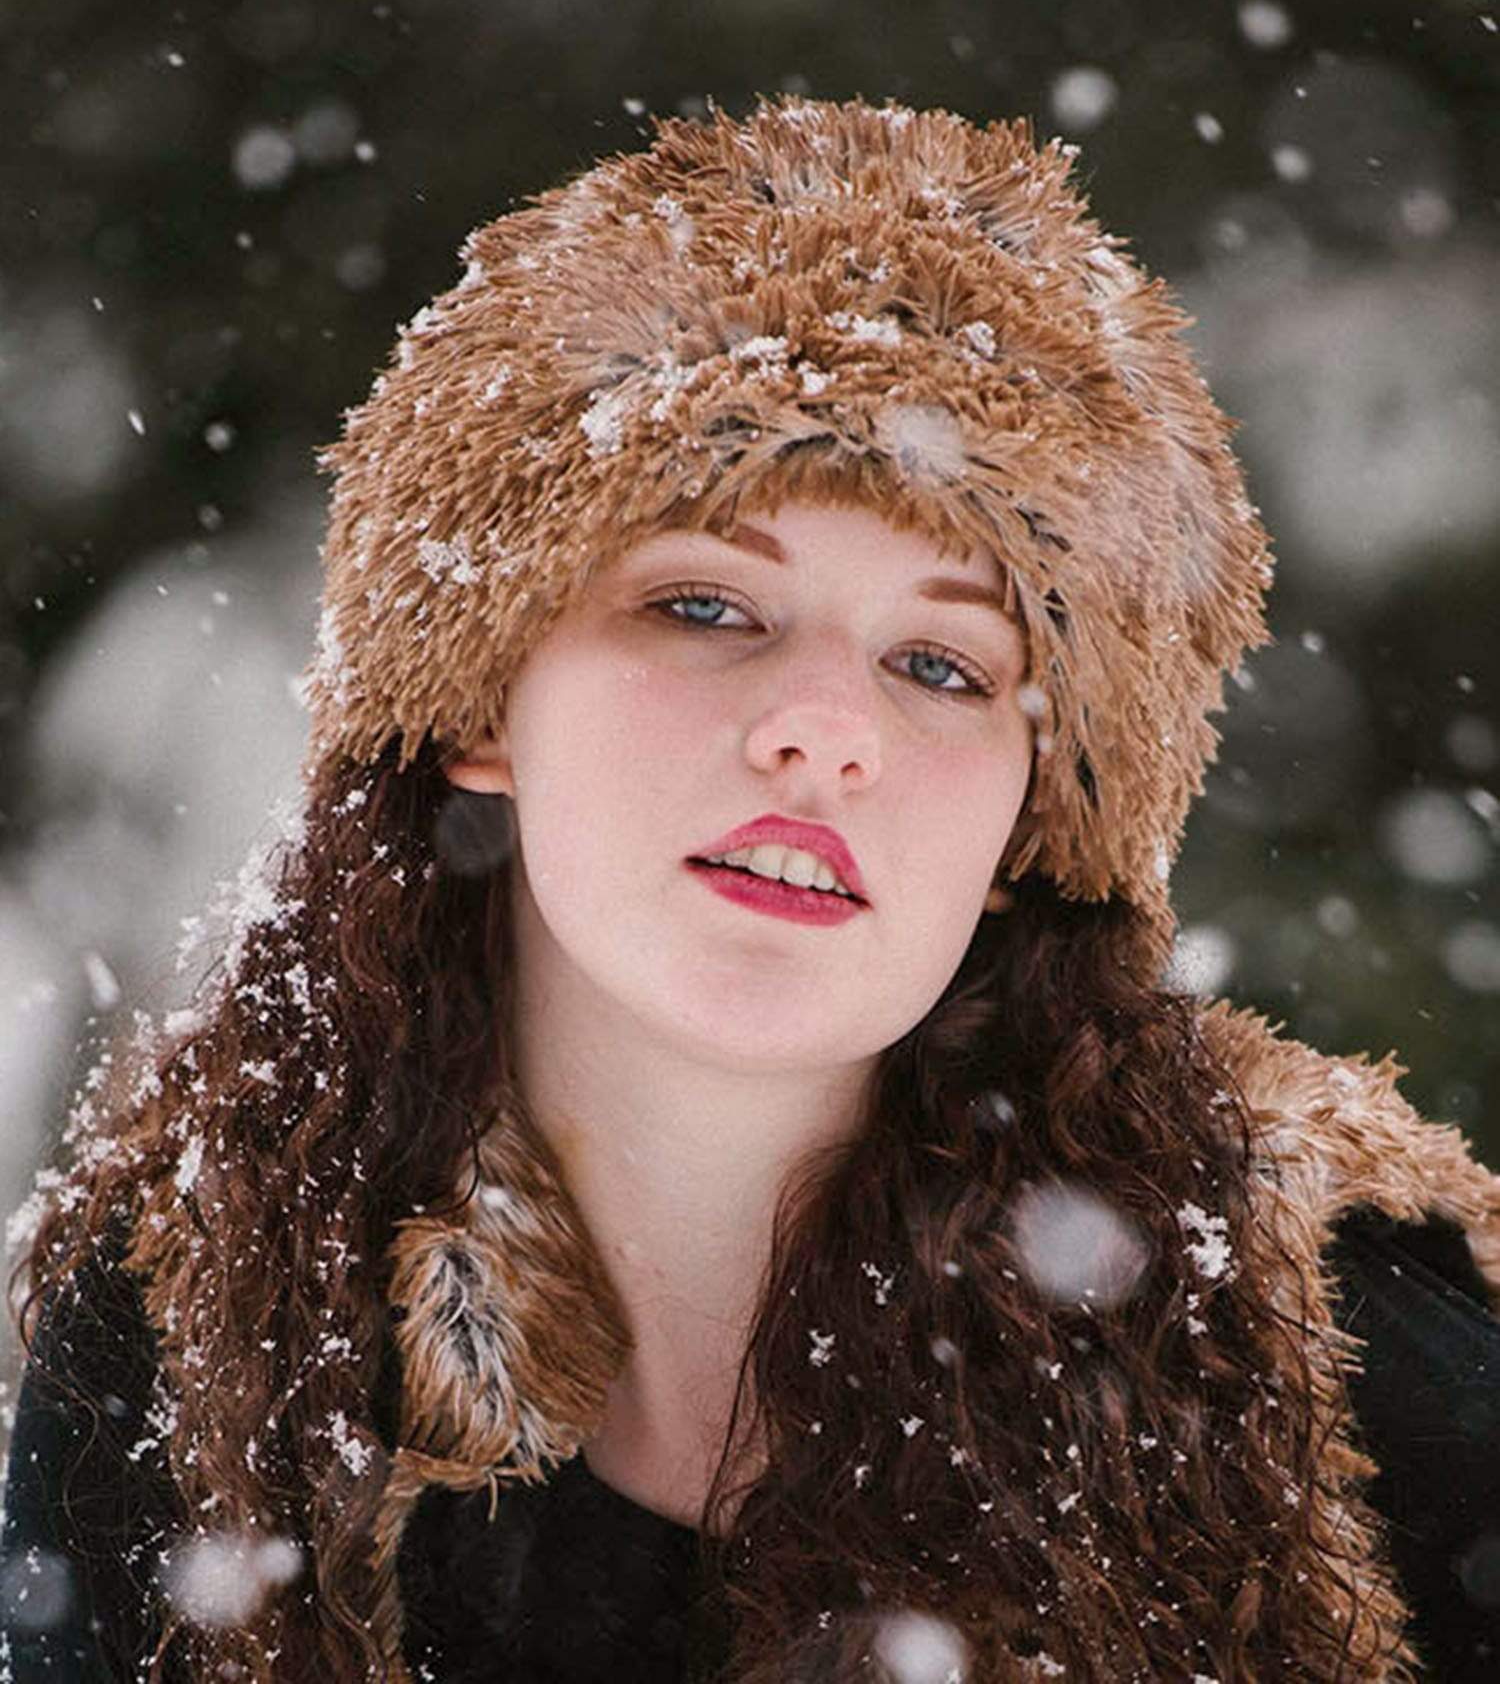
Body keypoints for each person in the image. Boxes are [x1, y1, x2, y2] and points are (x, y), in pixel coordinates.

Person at [3, 91, 1500, 1684]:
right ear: (480, 700)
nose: (829, 735)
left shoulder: (1313, 1350)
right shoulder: (199, 1315)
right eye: (710, 606)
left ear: (1028, 827)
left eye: (940, 661)